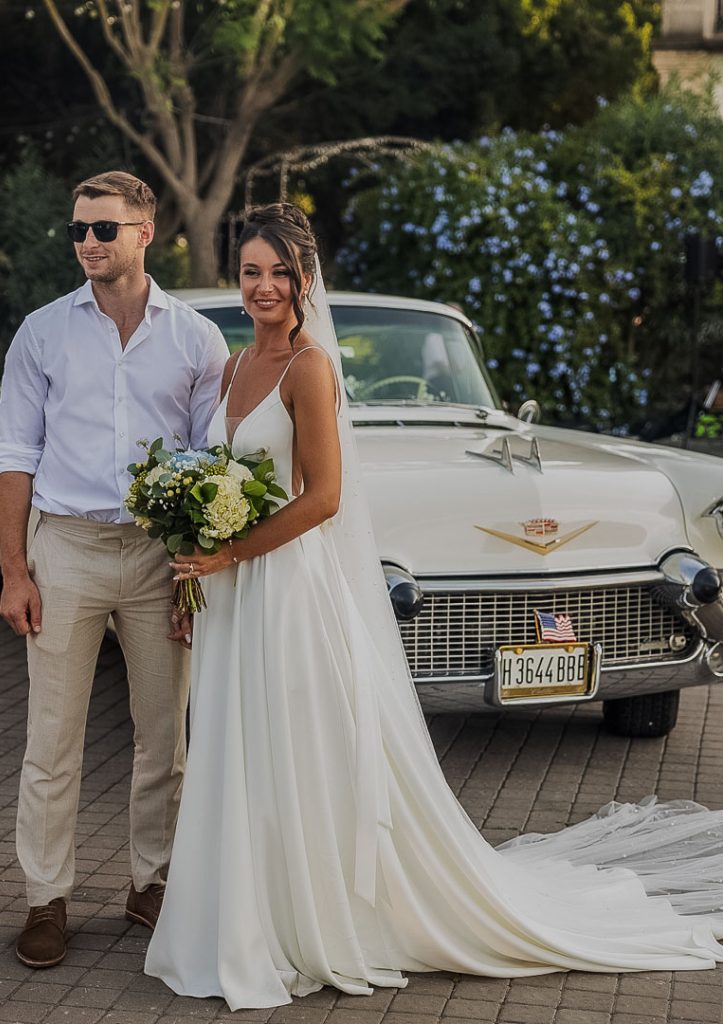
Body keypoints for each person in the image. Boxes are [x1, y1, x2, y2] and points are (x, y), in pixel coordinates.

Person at [145, 203, 723, 1010]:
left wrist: (227, 551)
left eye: (281, 272)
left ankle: (304, 919)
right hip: (236, 591)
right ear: (236, 278)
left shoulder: (311, 367)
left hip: (289, 587)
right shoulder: (237, 364)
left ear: (307, 280)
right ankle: (241, 912)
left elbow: (325, 499)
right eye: (251, 271)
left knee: (292, 741)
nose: (265, 286)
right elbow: (223, 473)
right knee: (239, 741)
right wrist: (197, 566)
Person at [0, 171, 228, 969]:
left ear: (144, 232)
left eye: (102, 228)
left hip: (159, 557)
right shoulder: (42, 332)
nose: (87, 241)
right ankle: (45, 900)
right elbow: (15, 456)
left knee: (164, 740)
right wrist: (15, 571)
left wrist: (193, 575)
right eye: (78, 230)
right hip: (66, 550)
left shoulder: (196, 339)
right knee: (50, 742)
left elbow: (208, 465)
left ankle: (150, 884)